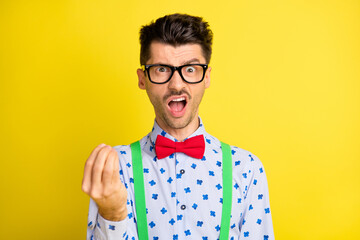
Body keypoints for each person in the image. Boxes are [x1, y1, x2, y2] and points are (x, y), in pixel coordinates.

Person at [82, 13, 274, 240]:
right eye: (162, 69)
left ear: (207, 77)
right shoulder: (116, 167)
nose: (176, 84)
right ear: (142, 79)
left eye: (190, 69)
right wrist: (112, 213)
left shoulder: (247, 169)